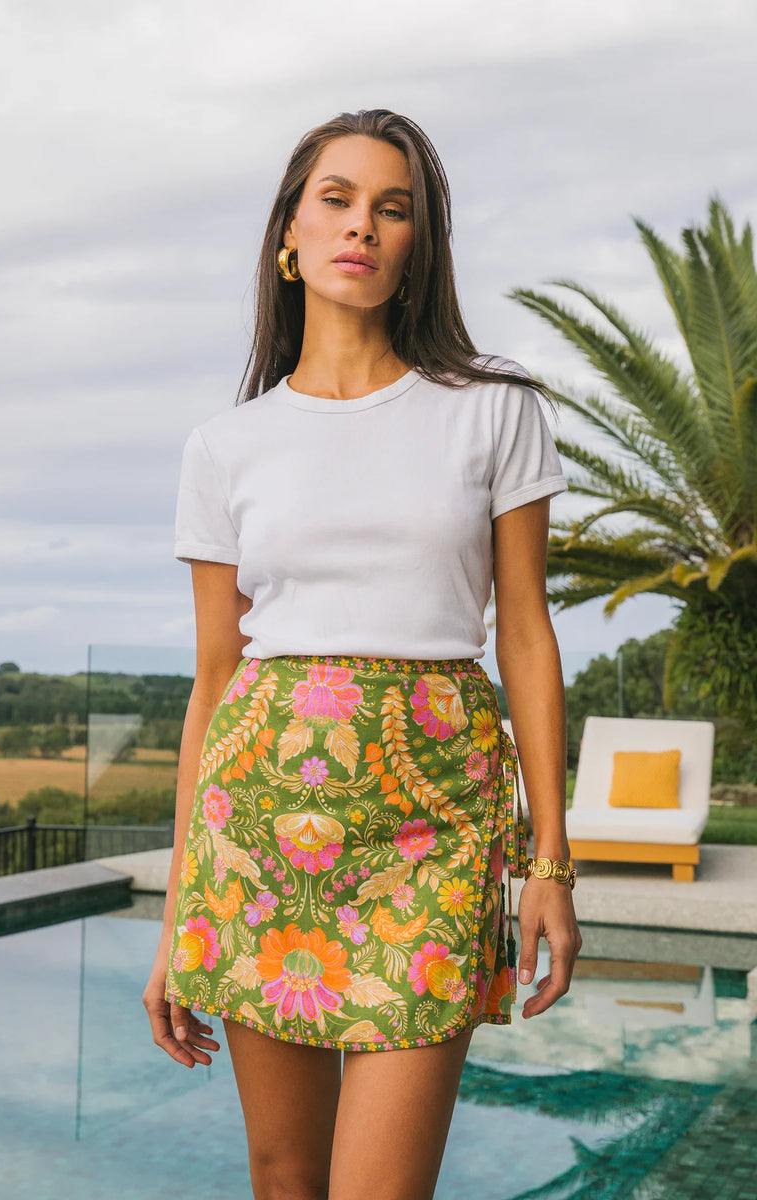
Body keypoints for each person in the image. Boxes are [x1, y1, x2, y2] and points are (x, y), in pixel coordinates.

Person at [143, 107, 582, 1200]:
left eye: (393, 209)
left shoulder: (493, 411)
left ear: (417, 245)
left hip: (432, 833)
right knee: (283, 1176)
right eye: (336, 201)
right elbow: (214, 679)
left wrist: (549, 862)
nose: (362, 227)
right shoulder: (225, 446)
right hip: (254, 836)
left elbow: (525, 634)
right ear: (287, 236)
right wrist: (178, 912)